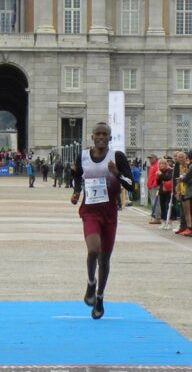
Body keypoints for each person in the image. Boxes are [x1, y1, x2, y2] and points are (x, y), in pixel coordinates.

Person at [70, 122, 134, 319]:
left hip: (109, 213)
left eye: (104, 134)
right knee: (93, 250)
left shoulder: (117, 157)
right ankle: (91, 282)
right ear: (92, 137)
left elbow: (132, 186)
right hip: (90, 211)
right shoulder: (82, 156)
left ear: (109, 137)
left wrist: (117, 173)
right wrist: (76, 192)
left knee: (105, 259)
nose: (100, 137)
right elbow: (77, 175)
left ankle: (99, 297)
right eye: (97, 134)